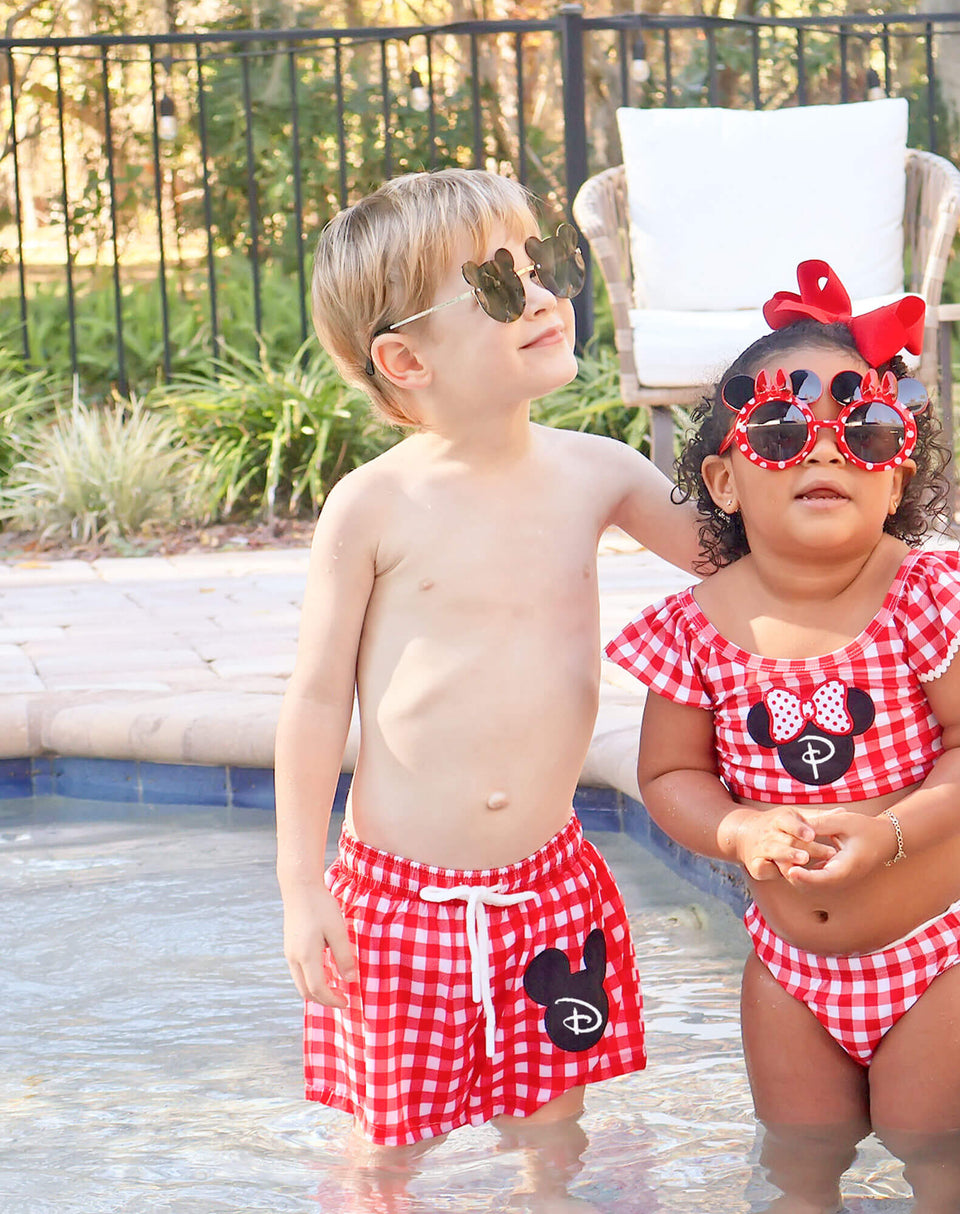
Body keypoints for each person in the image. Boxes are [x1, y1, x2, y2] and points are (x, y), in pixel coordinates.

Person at [275, 168, 700, 1159]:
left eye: (542, 267)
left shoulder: (599, 473)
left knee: (552, 1139)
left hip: (548, 888)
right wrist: (302, 887)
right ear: (405, 358)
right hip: (397, 901)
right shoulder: (374, 505)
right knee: (387, 1150)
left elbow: (732, 559)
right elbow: (316, 700)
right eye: (501, 285)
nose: (544, 296)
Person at [606, 259, 960, 1212]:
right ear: (724, 479)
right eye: (781, 430)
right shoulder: (698, 627)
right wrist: (736, 828)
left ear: (897, 473)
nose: (824, 451)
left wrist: (893, 831)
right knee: (799, 1160)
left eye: (863, 430)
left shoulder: (924, 596)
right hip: (789, 970)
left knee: (934, 1154)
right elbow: (669, 773)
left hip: (936, 953)